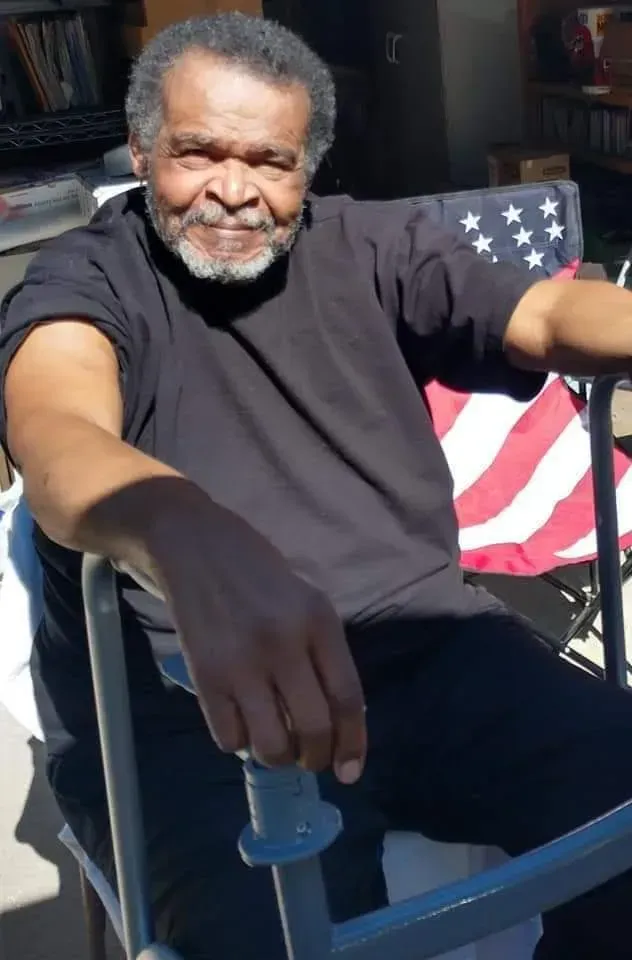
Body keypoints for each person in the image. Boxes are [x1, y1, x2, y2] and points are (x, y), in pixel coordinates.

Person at [2, 13, 632, 960]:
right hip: (196, 711)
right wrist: (181, 529)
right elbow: (57, 431)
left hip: (428, 651)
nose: (233, 190)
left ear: (309, 167)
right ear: (140, 147)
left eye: (270, 161)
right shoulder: (88, 277)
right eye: (198, 152)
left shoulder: (371, 246)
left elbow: (543, 313)